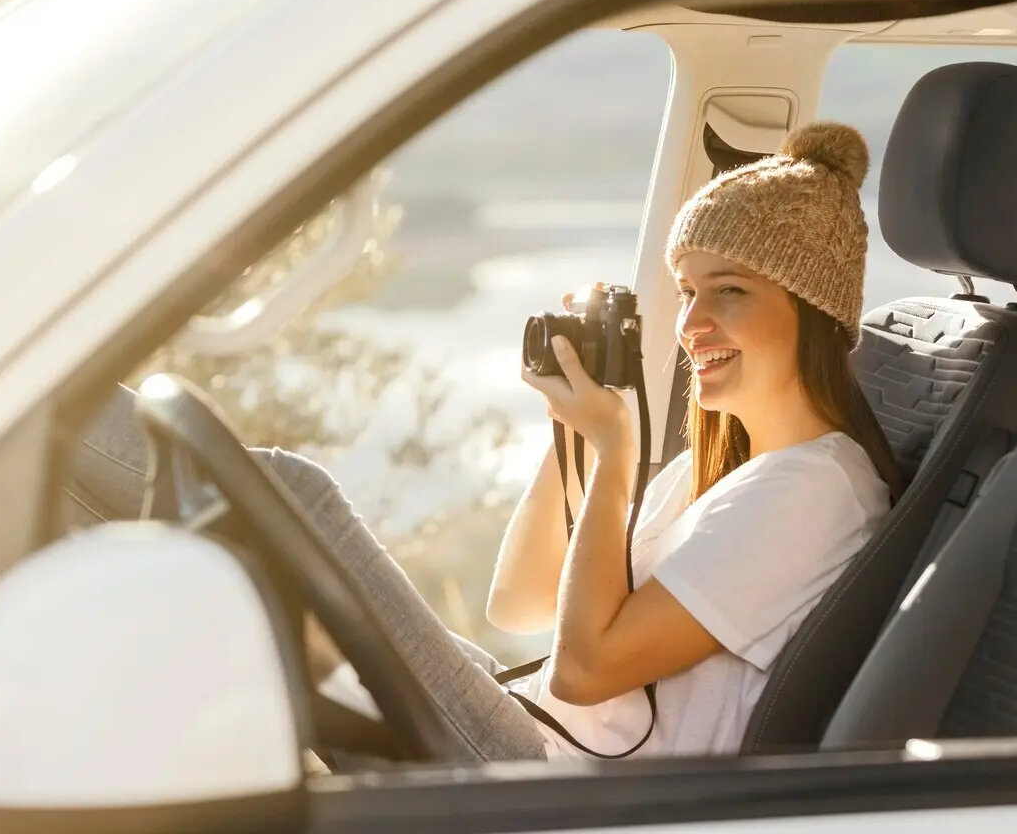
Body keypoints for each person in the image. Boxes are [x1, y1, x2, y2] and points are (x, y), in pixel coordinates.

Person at [62, 120, 899, 763]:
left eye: (730, 290)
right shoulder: (726, 473)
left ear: (812, 306)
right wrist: (570, 437)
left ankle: (38, 405)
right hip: (532, 732)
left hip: (555, 786)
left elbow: (584, 672)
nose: (690, 324)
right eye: (685, 292)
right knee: (167, 542)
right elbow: (522, 602)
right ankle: (24, 450)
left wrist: (614, 460)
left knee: (295, 500)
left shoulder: (814, 489)